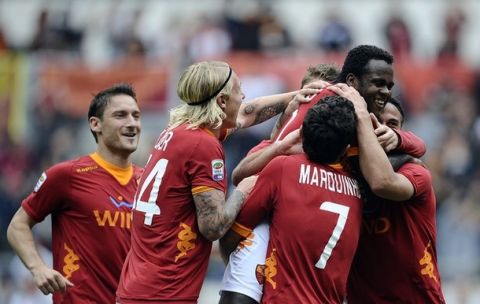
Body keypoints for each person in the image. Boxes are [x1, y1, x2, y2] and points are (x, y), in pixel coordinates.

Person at [116, 60, 319, 304]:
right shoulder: (204, 145)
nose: (243, 96)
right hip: (165, 292)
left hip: (137, 285)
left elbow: (246, 113)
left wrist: (296, 97)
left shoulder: (180, 130)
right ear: (222, 101)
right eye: (238, 90)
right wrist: (243, 191)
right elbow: (213, 226)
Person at [7, 84, 143, 303]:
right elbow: (17, 226)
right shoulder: (67, 175)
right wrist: (38, 268)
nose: (132, 123)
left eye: (136, 116)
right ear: (95, 124)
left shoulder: (148, 182)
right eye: (121, 115)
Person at [220, 96, 363, 303]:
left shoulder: (284, 167)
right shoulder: (359, 189)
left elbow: (232, 236)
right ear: (346, 148)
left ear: (303, 131)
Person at [329, 85, 446, 303]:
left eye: (392, 125)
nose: (383, 129)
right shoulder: (339, 173)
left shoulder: (415, 172)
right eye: (374, 121)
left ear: (400, 132)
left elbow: (383, 182)